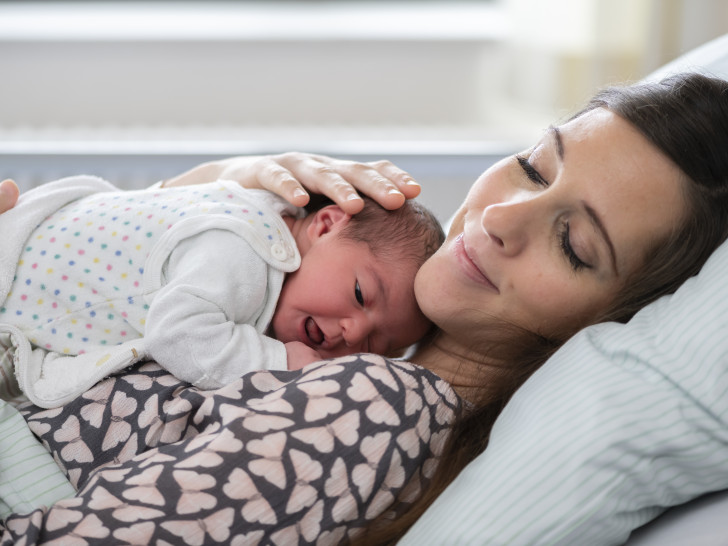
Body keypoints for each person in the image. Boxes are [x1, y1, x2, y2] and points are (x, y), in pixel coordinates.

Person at [2, 72, 728, 544]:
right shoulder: (335, 332)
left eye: (572, 244)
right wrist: (225, 189)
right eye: (534, 166)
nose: (502, 218)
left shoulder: (377, 409)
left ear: (612, 318)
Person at [0, 178, 442, 406]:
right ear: (326, 225)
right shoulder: (243, 250)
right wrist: (279, 361)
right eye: (362, 294)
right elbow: (176, 333)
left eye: (375, 345)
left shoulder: (261, 211)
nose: (352, 332)